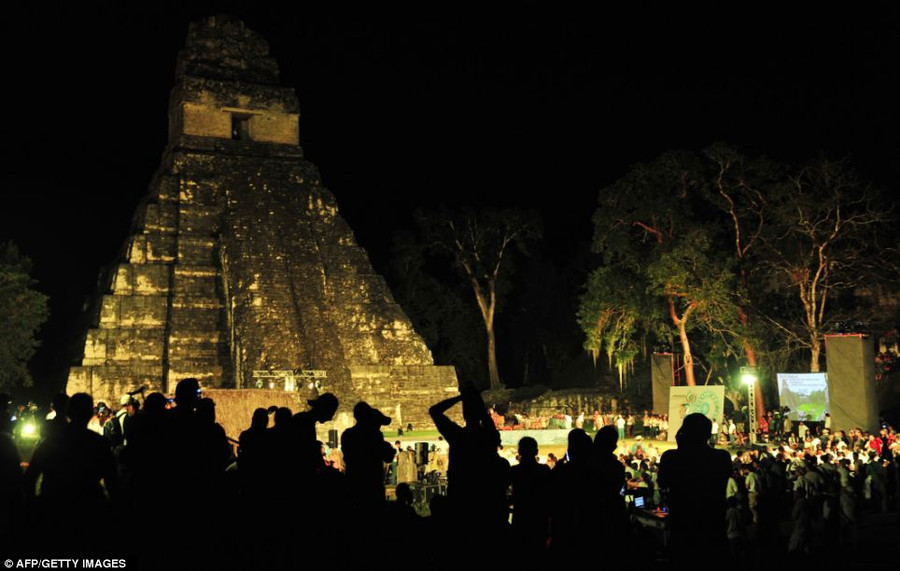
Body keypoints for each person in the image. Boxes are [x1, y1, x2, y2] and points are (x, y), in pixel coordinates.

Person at [657, 413, 732, 563]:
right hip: (713, 526)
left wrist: (680, 445)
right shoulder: (722, 457)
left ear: (683, 432)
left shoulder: (671, 458)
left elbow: (663, 482)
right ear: (708, 433)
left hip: (683, 526)